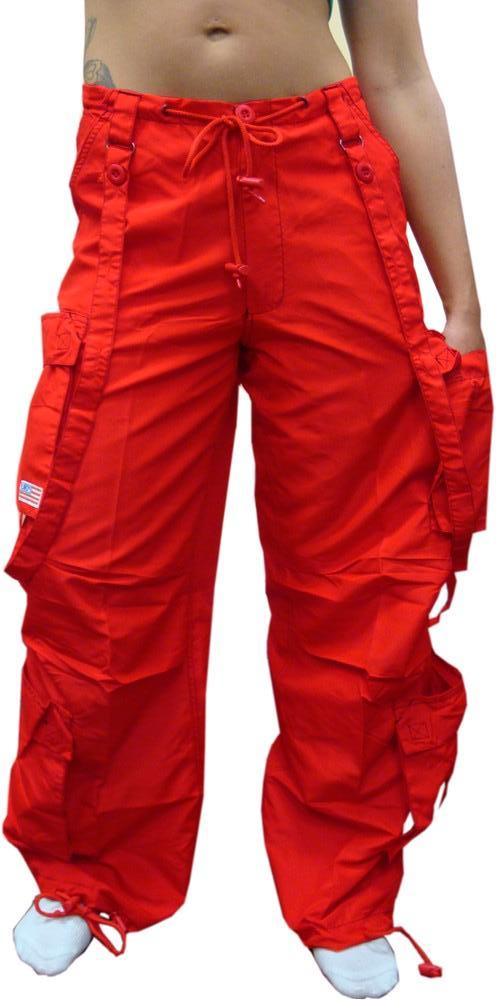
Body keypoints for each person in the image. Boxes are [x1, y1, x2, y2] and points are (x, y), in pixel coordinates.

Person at [4, 1, 492, 996]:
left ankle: (346, 888)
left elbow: (398, 72)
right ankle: (88, 867)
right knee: (103, 555)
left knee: (360, 563)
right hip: (141, 175)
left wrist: (463, 300)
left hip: (325, 181)